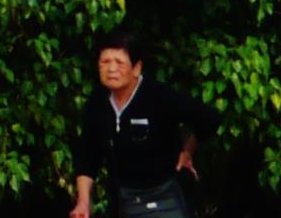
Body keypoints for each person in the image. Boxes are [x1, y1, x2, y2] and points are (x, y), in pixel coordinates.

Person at [71, 34, 197, 218]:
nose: (111, 69)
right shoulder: (98, 102)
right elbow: (88, 157)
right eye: (105, 62)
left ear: (136, 68)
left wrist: (188, 151)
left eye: (119, 62)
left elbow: (207, 119)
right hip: (123, 200)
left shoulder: (158, 95)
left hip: (165, 197)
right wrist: (83, 203)